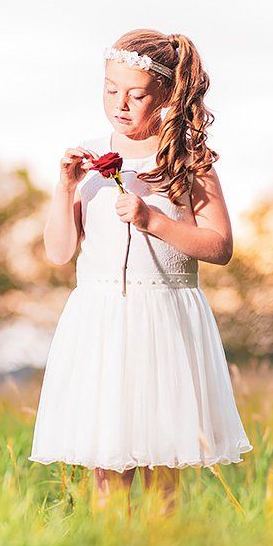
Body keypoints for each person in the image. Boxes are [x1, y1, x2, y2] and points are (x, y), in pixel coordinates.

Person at [28, 28, 253, 516]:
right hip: (101, 320)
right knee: (107, 463)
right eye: (110, 90)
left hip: (163, 321)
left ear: (167, 95)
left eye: (135, 95)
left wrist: (154, 220)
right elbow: (59, 253)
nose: (120, 105)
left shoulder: (186, 158)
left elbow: (219, 246)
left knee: (160, 463)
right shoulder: (88, 159)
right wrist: (65, 188)